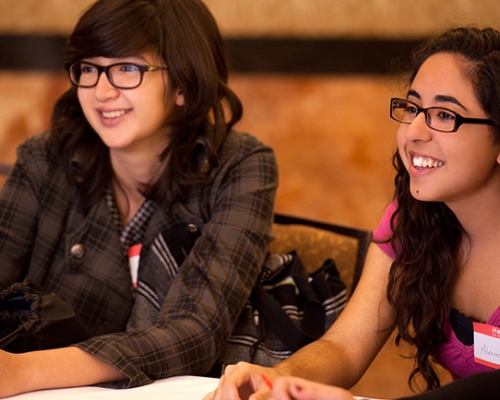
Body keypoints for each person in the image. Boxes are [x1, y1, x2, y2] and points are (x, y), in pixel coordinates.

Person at [0, 0, 278, 397]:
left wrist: (21, 372)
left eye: (127, 68)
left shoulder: (241, 164)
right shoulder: (46, 158)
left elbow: (194, 332)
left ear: (184, 83)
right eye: (89, 69)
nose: (102, 90)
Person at [205, 26, 500, 400]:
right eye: (412, 108)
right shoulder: (414, 223)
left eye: (444, 115)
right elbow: (345, 347)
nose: (413, 131)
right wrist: (279, 378)